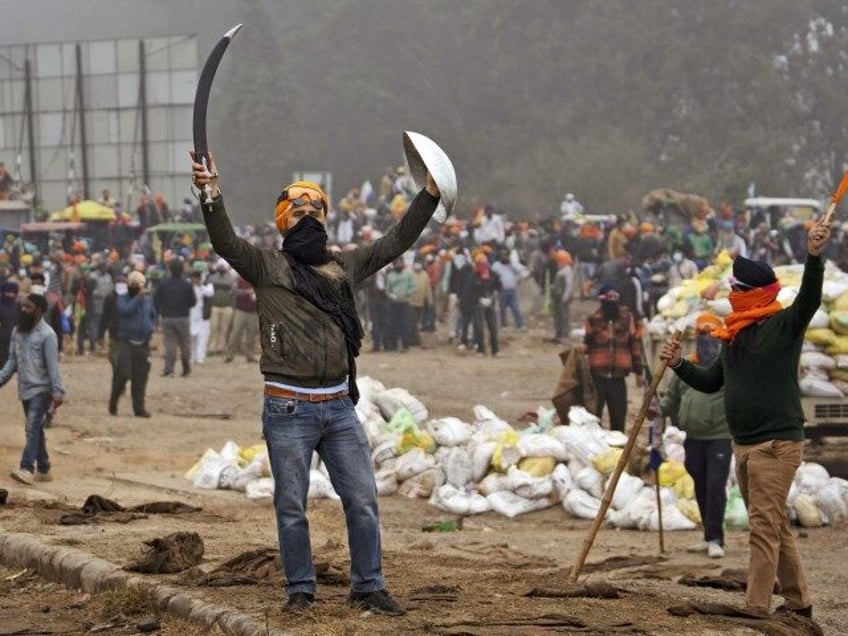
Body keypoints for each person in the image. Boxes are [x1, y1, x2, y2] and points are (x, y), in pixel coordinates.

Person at [191, 150, 441, 616]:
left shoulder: (344, 268)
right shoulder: (267, 267)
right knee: (291, 505)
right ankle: (300, 591)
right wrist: (210, 192)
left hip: (340, 407)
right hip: (287, 407)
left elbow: (395, 241)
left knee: (363, 501)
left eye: (316, 211)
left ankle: (368, 586)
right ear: (285, 221)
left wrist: (428, 195)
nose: (309, 217)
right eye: (299, 212)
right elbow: (224, 240)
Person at [659, 216, 831, 619]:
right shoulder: (734, 336)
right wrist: (678, 364)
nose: (732, 295)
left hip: (776, 444)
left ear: (754, 294)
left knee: (762, 528)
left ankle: (756, 607)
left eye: (738, 290)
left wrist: (814, 256)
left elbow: (809, 297)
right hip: (746, 446)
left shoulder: (784, 325)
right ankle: (799, 601)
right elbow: (709, 381)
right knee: (775, 527)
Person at [659, 312, 731, 559]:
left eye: (711, 334)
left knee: (715, 485)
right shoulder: (686, 366)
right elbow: (670, 399)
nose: (706, 339)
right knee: (701, 485)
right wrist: (655, 410)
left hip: (719, 436)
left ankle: (716, 539)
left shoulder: (725, 367)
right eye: (701, 334)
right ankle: (708, 535)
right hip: (693, 438)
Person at [3, 293, 65, 484]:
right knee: (36, 429)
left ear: (39, 310)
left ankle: (26, 468)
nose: (23, 310)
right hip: (25, 390)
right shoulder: (17, 332)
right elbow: (12, 362)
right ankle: (44, 468)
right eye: (22, 306)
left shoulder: (48, 335)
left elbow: (53, 366)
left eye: (28, 307)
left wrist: (57, 391)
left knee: (31, 428)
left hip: (42, 390)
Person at [583, 284, 643, 432]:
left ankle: (617, 451)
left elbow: (634, 344)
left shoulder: (627, 318)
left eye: (615, 298)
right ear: (602, 300)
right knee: (593, 417)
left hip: (618, 377)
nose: (612, 301)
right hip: (597, 376)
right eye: (609, 297)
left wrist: (639, 372)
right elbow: (587, 346)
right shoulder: (593, 319)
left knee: (618, 417)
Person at [109, 271, 155, 417]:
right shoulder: (122, 298)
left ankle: (139, 408)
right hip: (126, 342)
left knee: (140, 377)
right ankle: (113, 401)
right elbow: (125, 311)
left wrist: (150, 328)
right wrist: (138, 298)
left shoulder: (148, 300)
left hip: (143, 343)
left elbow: (152, 314)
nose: (138, 289)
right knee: (123, 373)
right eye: (135, 286)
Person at [153, 258, 195, 377]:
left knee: (170, 344)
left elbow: (156, 300)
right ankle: (186, 368)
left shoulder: (163, 284)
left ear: (170, 270)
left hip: (168, 318)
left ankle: (169, 369)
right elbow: (193, 302)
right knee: (185, 344)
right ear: (182, 271)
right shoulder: (187, 285)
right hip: (183, 318)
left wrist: (160, 312)